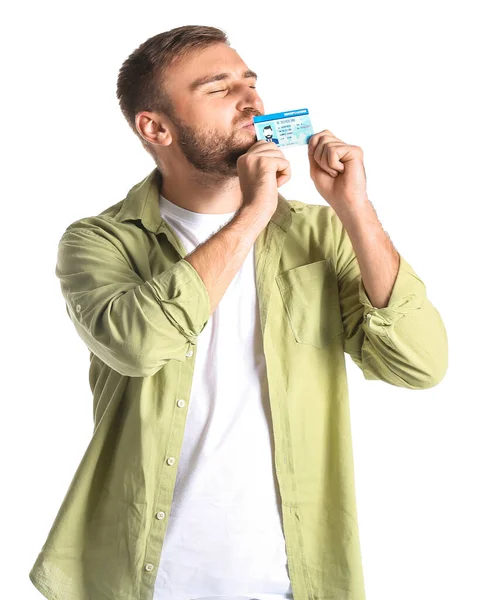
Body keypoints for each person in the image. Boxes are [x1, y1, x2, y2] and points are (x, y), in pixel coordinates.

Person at [29, 24, 448, 600]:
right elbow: (137, 344)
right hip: (143, 578)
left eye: (250, 83)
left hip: (293, 578)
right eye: (219, 89)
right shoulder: (100, 242)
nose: (251, 101)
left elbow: (420, 364)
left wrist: (355, 208)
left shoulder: (319, 232)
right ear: (155, 127)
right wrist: (253, 213)